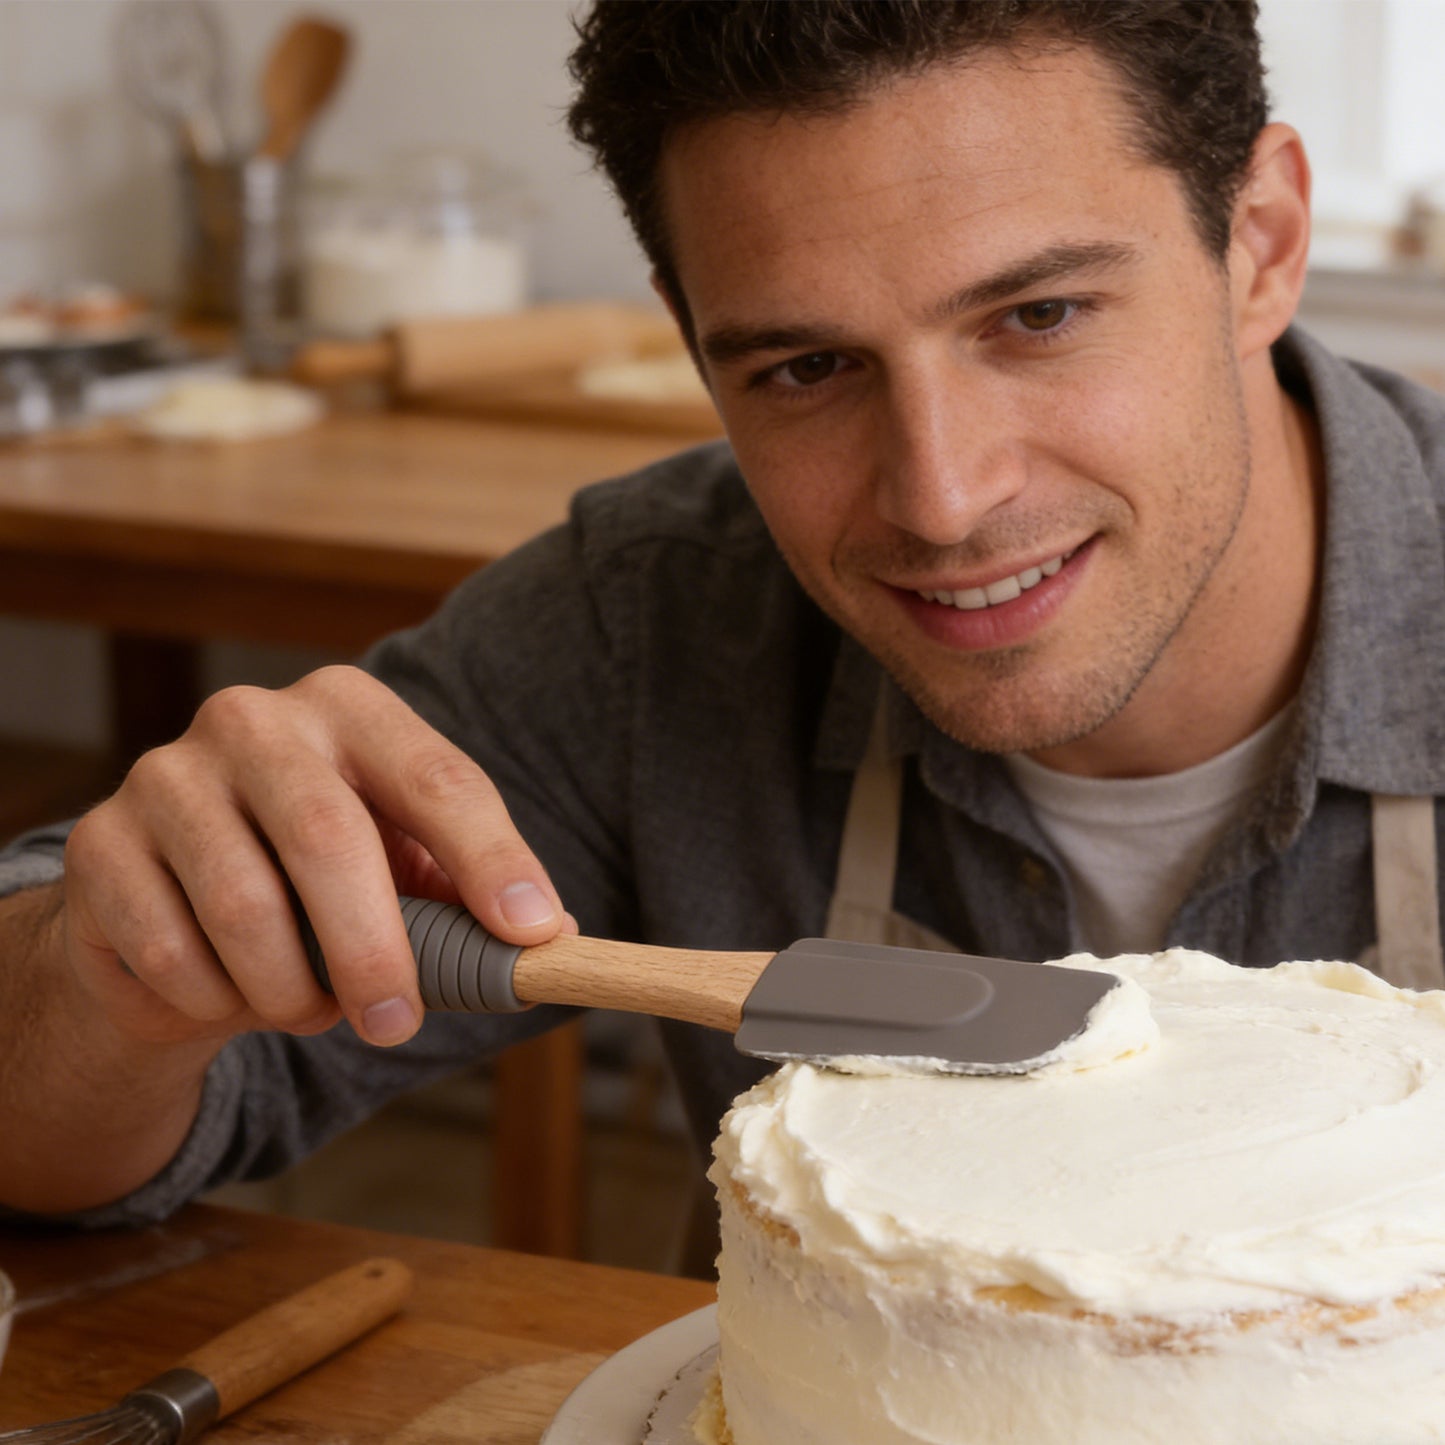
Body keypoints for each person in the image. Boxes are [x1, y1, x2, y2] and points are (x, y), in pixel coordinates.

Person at [3, 0, 1442, 1227]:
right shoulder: (651, 619)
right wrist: (106, 970)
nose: (939, 497)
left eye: (1039, 316)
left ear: (1257, 241)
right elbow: (43, 1142)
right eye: (807, 366)